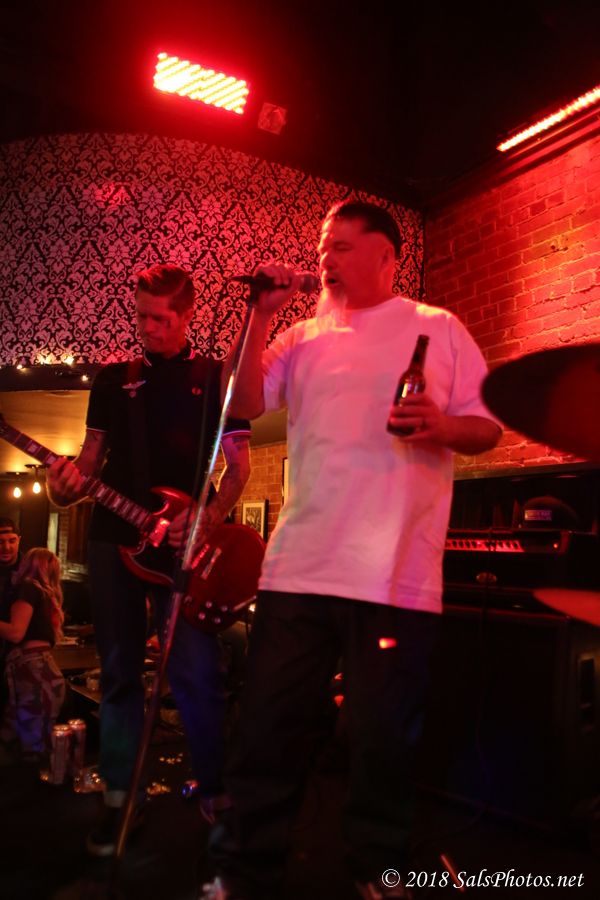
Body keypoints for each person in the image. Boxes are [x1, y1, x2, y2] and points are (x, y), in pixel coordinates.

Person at [202, 200, 502, 900]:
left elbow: (487, 429)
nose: (324, 258)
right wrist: (259, 316)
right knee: (268, 728)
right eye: (321, 247)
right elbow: (240, 401)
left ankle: (379, 869)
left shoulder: (437, 328)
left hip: (394, 573)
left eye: (340, 245)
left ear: (386, 255)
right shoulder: (302, 335)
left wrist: (442, 424)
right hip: (298, 566)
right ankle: (243, 872)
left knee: (382, 737)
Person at [46, 263, 251, 856]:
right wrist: (62, 486)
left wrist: (206, 518)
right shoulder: (114, 380)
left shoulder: (217, 378)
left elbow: (237, 469)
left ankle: (215, 791)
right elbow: (88, 463)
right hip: (114, 537)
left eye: (161, 318)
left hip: (184, 543)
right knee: (117, 672)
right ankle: (121, 799)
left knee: (195, 671)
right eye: (141, 316)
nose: (148, 328)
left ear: (188, 315)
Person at [0, 547, 65, 763]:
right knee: (31, 741)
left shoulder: (28, 587)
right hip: (44, 670)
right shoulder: (47, 594)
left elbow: (15, 632)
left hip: (32, 671)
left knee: (27, 744)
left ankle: (29, 783)